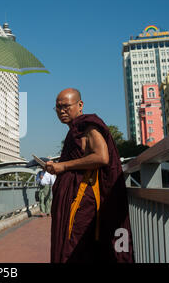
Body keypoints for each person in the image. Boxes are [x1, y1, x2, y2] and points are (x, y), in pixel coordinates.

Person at [46, 88, 134, 263]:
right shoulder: (75, 130)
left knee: (77, 249)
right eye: (57, 107)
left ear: (80, 105)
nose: (61, 111)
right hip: (73, 200)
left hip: (82, 200)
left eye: (65, 106)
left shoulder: (88, 126)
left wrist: (63, 166)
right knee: (72, 247)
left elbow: (101, 156)